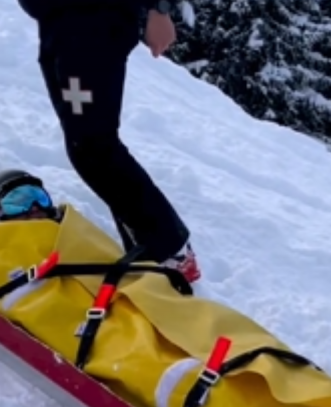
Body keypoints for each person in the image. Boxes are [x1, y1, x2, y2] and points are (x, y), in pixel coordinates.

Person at [14, 0, 200, 284]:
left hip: (90, 22)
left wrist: (158, 9)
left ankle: (170, 251)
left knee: (93, 146)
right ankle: (150, 250)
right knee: (86, 145)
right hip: (59, 22)